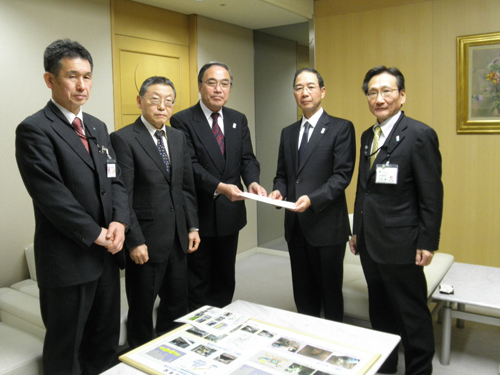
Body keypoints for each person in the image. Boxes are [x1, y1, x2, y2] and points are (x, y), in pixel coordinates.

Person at [15, 39, 130, 375]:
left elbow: (116, 181)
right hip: (67, 261)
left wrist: (120, 222)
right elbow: (52, 196)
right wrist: (96, 233)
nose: (82, 85)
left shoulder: (97, 126)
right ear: (50, 80)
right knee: (66, 349)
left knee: (106, 340)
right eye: (72, 76)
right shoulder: (35, 130)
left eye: (87, 76)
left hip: (106, 256)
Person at [349, 66, 443, 375]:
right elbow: (364, 188)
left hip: (402, 243)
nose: (379, 98)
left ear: (402, 96)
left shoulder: (419, 135)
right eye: (373, 92)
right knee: (380, 310)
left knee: (412, 314)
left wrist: (427, 242)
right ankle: (386, 366)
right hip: (370, 241)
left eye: (387, 91)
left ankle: (419, 370)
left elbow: (431, 194)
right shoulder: (368, 136)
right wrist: (356, 231)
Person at [110, 76, 200, 349]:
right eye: (155, 99)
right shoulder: (124, 138)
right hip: (145, 241)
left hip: (177, 238)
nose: (162, 106)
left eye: (169, 101)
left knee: (176, 304)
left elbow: (186, 187)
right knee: (142, 307)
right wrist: (134, 240)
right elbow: (123, 194)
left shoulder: (177, 137)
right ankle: (141, 357)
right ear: (140, 101)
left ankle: (171, 352)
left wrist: (192, 226)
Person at [170, 62, 266, 310]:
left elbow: (247, 158)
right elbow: (189, 165)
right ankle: (198, 329)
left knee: (225, 275)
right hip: (199, 214)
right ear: (200, 85)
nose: (218, 89)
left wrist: (253, 181)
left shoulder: (237, 119)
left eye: (224, 84)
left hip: (230, 214)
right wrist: (220, 187)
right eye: (211, 83)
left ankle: (221, 319)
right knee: (199, 277)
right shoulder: (182, 120)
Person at [268, 68, 356, 322]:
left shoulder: (340, 128)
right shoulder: (288, 132)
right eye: (298, 88)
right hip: (296, 225)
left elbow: (341, 177)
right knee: (303, 291)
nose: (304, 93)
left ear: (322, 91)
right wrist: (278, 191)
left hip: (326, 225)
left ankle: (333, 342)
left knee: (330, 293)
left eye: (310, 87)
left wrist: (313, 199)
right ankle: (306, 337)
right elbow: (282, 175)